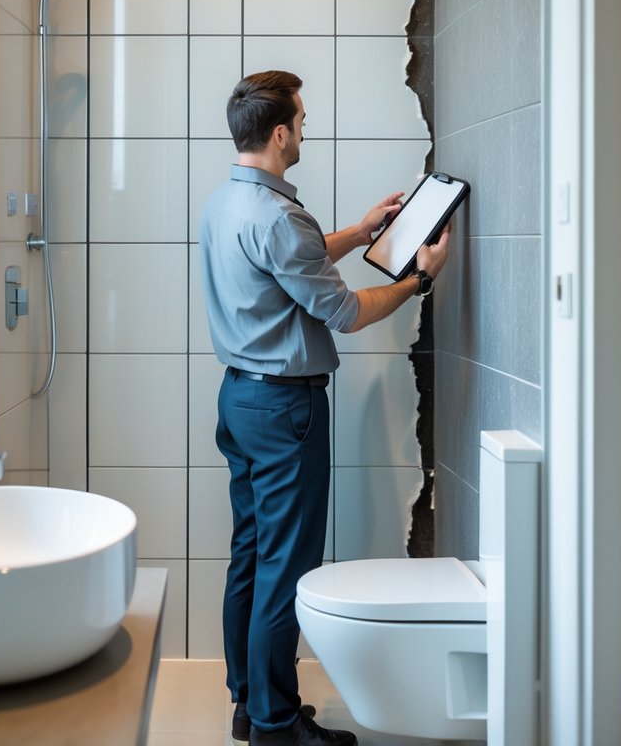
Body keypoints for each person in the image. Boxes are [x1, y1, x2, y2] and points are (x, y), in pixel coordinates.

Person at [199, 70, 450, 746]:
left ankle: (250, 705)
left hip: (240, 400)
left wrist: (361, 229)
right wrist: (419, 278)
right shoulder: (278, 216)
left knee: (251, 556)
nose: (304, 129)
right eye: (302, 121)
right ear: (279, 133)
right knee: (284, 567)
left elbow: (292, 263)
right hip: (284, 411)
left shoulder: (227, 203)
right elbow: (342, 311)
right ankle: (276, 727)